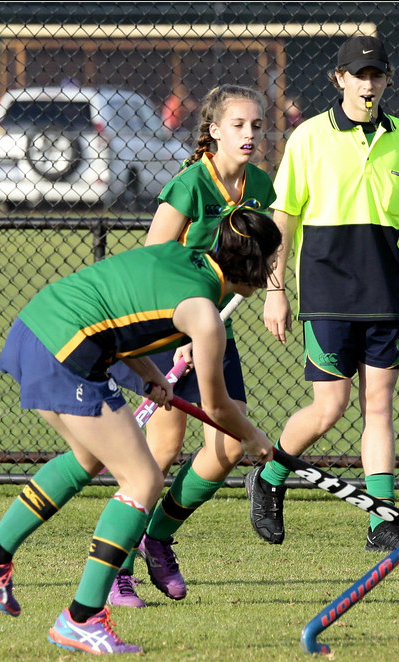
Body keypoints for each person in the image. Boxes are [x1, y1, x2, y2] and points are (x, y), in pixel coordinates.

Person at [0, 206, 281, 655]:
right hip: (67, 350)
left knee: (89, 457)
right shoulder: (204, 315)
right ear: (253, 264)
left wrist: (150, 375)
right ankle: (81, 619)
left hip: (36, 327)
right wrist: (253, 437)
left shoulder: (176, 255)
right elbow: (218, 405)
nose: (274, 273)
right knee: (143, 480)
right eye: (272, 261)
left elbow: (116, 307)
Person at [246, 35, 399, 552]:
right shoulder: (309, 137)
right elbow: (284, 217)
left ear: (387, 80)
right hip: (327, 293)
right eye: (358, 74)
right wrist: (275, 290)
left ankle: (381, 520)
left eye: (376, 74)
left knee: (379, 407)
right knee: (330, 408)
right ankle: (270, 478)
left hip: (388, 294)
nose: (368, 84)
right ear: (339, 79)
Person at [105, 84, 277, 609]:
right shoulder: (189, 186)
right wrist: (170, 335)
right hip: (166, 327)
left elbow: (263, 252)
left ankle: (157, 535)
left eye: (256, 125)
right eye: (239, 125)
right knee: (159, 451)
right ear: (215, 130)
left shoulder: (260, 186)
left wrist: (273, 292)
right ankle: (118, 566)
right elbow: (149, 263)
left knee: (225, 447)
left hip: (212, 327)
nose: (249, 135)